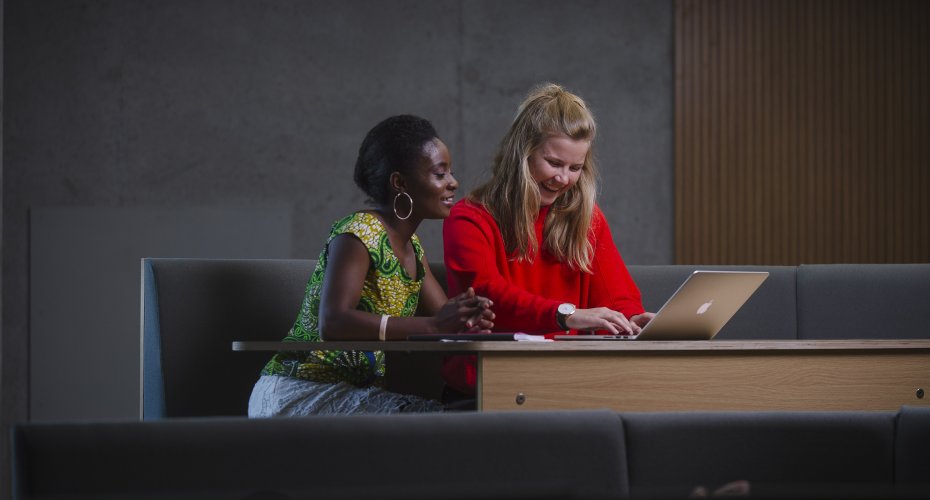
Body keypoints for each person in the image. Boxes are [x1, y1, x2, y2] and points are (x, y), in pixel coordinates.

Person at [249, 114, 494, 416]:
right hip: (300, 391)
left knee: (471, 418)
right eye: (440, 174)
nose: (453, 183)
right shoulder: (358, 232)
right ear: (400, 182)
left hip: (355, 395)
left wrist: (469, 320)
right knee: (445, 425)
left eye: (451, 173)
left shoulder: (412, 249)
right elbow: (334, 321)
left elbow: (446, 323)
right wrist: (435, 325)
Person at [441, 83, 654, 397]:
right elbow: (488, 296)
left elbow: (615, 293)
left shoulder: (588, 218)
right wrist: (565, 315)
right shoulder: (469, 217)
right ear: (522, 154)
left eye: (576, 168)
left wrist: (633, 319)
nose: (564, 178)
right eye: (554, 163)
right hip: (491, 383)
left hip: (569, 380)